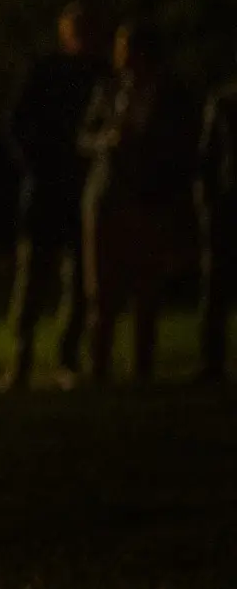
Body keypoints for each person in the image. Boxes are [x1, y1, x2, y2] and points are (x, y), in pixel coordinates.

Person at [79, 23, 197, 385]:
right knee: (101, 289)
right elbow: (83, 137)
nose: (121, 57)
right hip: (105, 197)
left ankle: (141, 369)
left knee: (147, 288)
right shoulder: (107, 90)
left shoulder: (170, 96)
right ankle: (98, 367)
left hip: (148, 199)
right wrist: (105, 141)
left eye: (127, 49)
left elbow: (181, 147)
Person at [2, 2, 108, 391]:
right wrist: (38, 163)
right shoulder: (45, 72)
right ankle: (21, 358)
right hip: (47, 188)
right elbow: (17, 124)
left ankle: (68, 357)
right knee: (33, 279)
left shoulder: (103, 77)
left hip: (84, 191)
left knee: (80, 280)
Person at [197, 70, 237, 385]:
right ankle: (212, 362)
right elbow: (208, 158)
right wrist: (208, 204)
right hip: (227, 204)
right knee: (216, 286)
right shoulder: (224, 101)